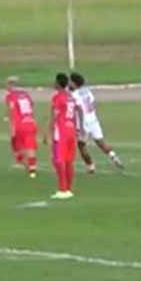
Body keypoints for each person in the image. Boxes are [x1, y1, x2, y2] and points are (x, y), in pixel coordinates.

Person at [69, 72, 123, 174]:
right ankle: (113, 156)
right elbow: (93, 104)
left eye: (70, 81)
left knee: (81, 145)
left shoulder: (74, 95)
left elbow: (78, 109)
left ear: (74, 82)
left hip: (84, 122)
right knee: (101, 142)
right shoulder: (88, 91)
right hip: (93, 119)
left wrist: (80, 126)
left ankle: (90, 166)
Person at [49, 72, 80, 200]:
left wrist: (48, 132)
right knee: (69, 161)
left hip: (61, 132)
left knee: (58, 160)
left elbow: (55, 116)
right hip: (71, 131)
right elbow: (76, 114)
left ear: (58, 83)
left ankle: (62, 189)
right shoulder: (71, 97)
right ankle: (68, 189)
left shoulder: (57, 97)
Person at [5, 77, 39, 178]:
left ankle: (22, 161)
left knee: (18, 144)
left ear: (10, 85)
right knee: (30, 145)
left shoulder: (10, 96)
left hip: (20, 124)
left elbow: (11, 111)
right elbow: (32, 105)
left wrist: (11, 126)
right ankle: (32, 169)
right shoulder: (26, 94)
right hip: (31, 122)